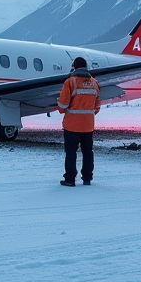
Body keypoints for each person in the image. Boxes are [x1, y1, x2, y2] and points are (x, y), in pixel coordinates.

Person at [56, 57, 101, 187]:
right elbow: (97, 106)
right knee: (88, 152)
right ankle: (87, 178)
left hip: (72, 125)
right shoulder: (94, 83)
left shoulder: (70, 82)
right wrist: (88, 115)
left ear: (74, 67)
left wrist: (60, 108)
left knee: (71, 152)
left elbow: (63, 104)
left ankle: (70, 179)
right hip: (88, 126)